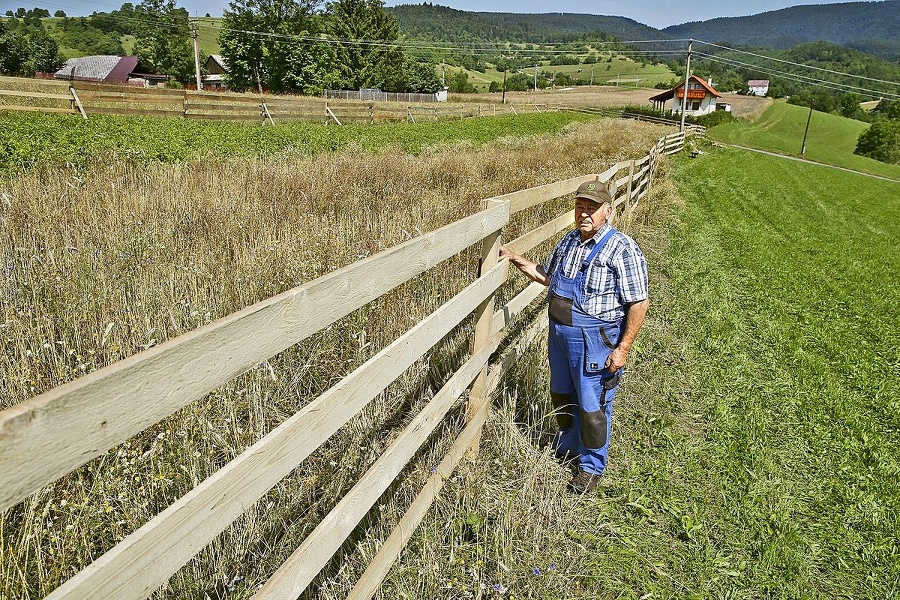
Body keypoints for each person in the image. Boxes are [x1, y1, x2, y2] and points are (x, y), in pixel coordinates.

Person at [499, 180, 649, 493]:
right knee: (563, 394)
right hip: (560, 337)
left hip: (597, 341)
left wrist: (623, 348)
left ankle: (591, 465)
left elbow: (639, 301)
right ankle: (568, 446)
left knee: (593, 405)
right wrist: (515, 258)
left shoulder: (622, 248)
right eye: (580, 206)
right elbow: (548, 277)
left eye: (592, 208)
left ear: (607, 212)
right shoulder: (568, 242)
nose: (584, 213)